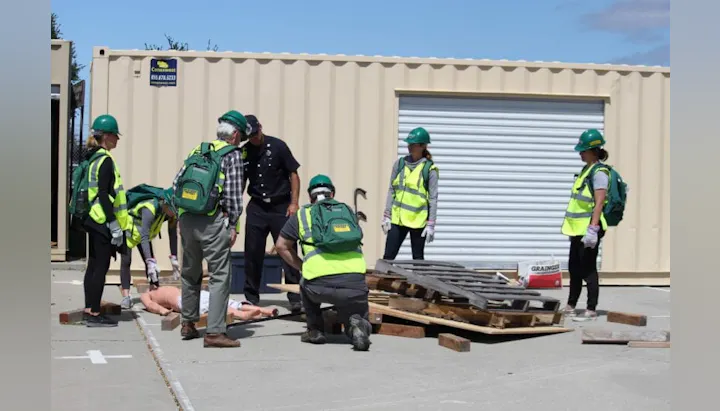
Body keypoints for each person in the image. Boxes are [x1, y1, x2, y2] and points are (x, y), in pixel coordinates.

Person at [172, 110, 251, 348]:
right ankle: (215, 332)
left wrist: (181, 217)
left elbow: (176, 184)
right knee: (219, 276)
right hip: (213, 222)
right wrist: (234, 224)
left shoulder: (199, 150)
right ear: (236, 134)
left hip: (188, 220)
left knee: (190, 273)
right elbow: (234, 195)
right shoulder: (232, 155)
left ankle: (188, 323)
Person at [275, 174, 373, 351]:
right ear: (332, 194)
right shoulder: (347, 212)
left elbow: (281, 246)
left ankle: (315, 330)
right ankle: (358, 325)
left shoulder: (302, 215)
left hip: (317, 287)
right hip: (355, 285)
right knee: (355, 302)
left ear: (310, 196)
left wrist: (302, 266)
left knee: (305, 282)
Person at [240, 115, 303, 313]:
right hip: (257, 207)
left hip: (281, 205)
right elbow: (240, 180)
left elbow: (293, 174)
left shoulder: (278, 146)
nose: (255, 138)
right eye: (250, 136)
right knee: (252, 252)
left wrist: (294, 202)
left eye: (256, 134)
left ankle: (295, 296)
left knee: (287, 250)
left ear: (261, 128)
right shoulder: (244, 152)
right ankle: (251, 297)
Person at [81, 114, 133, 327]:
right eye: (115, 136)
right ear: (107, 136)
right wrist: (113, 224)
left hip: (91, 218)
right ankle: (94, 313)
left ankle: (88, 308)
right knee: (100, 268)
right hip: (101, 221)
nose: (118, 140)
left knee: (92, 266)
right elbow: (103, 194)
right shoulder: (106, 161)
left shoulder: (92, 157)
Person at [561, 129, 611, 322]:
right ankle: (571, 304)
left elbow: (599, 202)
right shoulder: (586, 170)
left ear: (593, 150)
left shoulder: (599, 173)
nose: (580, 153)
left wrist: (593, 229)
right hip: (577, 228)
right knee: (574, 267)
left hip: (590, 228)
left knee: (588, 269)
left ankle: (591, 309)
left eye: (583, 150)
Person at [381, 127, 439, 260]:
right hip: (398, 219)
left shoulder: (429, 169)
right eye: (409, 144)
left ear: (423, 146)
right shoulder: (400, 164)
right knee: (388, 257)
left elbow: (433, 199)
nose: (410, 147)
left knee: (418, 259)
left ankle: (418, 281)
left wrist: (431, 224)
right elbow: (392, 189)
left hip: (418, 221)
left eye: (413, 144)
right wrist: (387, 214)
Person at [118, 187, 179, 309]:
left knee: (152, 266)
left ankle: (154, 293)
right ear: (166, 204)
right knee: (127, 261)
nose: (174, 214)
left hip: (143, 234)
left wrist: (174, 257)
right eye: (174, 211)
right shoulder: (149, 208)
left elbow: (172, 233)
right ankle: (126, 296)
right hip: (129, 231)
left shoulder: (170, 212)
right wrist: (150, 261)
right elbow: (144, 235)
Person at [139, 286, 279, 320]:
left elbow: (152, 305)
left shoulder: (158, 290)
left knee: (220, 304)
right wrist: (162, 311)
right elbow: (151, 305)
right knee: (221, 303)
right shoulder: (146, 294)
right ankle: (259, 311)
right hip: (186, 298)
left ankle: (252, 313)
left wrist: (163, 310)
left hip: (191, 297)